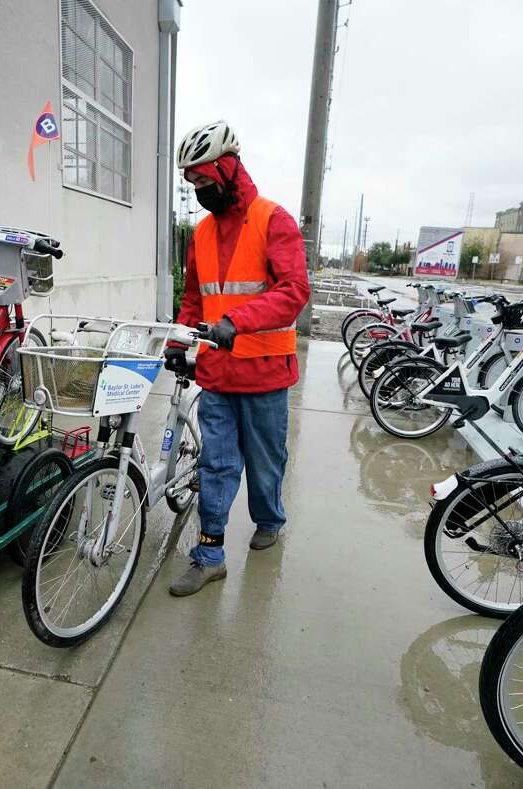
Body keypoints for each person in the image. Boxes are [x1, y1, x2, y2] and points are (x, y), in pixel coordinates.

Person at [165, 120, 311, 597]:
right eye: (192, 184)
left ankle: (269, 517)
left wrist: (239, 321)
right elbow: (194, 298)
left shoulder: (274, 220)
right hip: (218, 375)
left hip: (266, 374)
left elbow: (294, 292)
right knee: (217, 465)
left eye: (205, 181)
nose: (199, 191)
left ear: (228, 169)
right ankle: (210, 555)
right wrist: (178, 342)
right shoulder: (201, 233)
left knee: (266, 463)